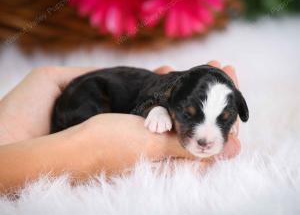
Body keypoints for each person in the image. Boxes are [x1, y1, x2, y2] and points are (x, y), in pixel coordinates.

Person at [0, 60, 241, 193]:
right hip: (91, 94)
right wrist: (82, 150)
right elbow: (147, 105)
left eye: (224, 120)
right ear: (173, 98)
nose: (206, 137)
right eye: (190, 116)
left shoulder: (179, 90)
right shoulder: (166, 93)